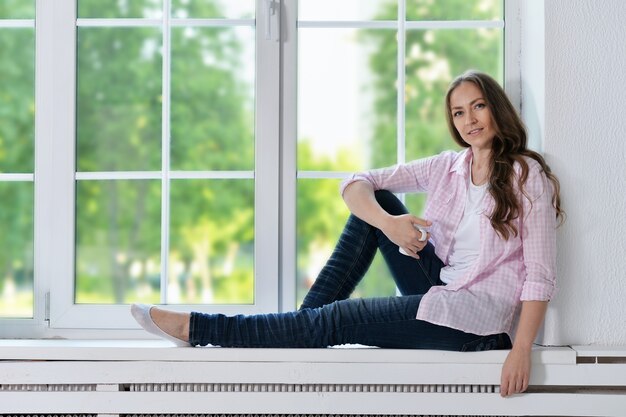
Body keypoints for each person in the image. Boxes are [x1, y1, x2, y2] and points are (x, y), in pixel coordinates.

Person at [131, 70, 564, 398]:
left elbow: (539, 275)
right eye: (458, 112)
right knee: (375, 210)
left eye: (478, 106)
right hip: (441, 283)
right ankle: (303, 329)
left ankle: (200, 327)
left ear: (497, 109)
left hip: (473, 321)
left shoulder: (527, 176)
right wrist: (391, 224)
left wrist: (521, 349)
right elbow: (356, 182)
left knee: (337, 320)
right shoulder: (449, 166)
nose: (469, 119)